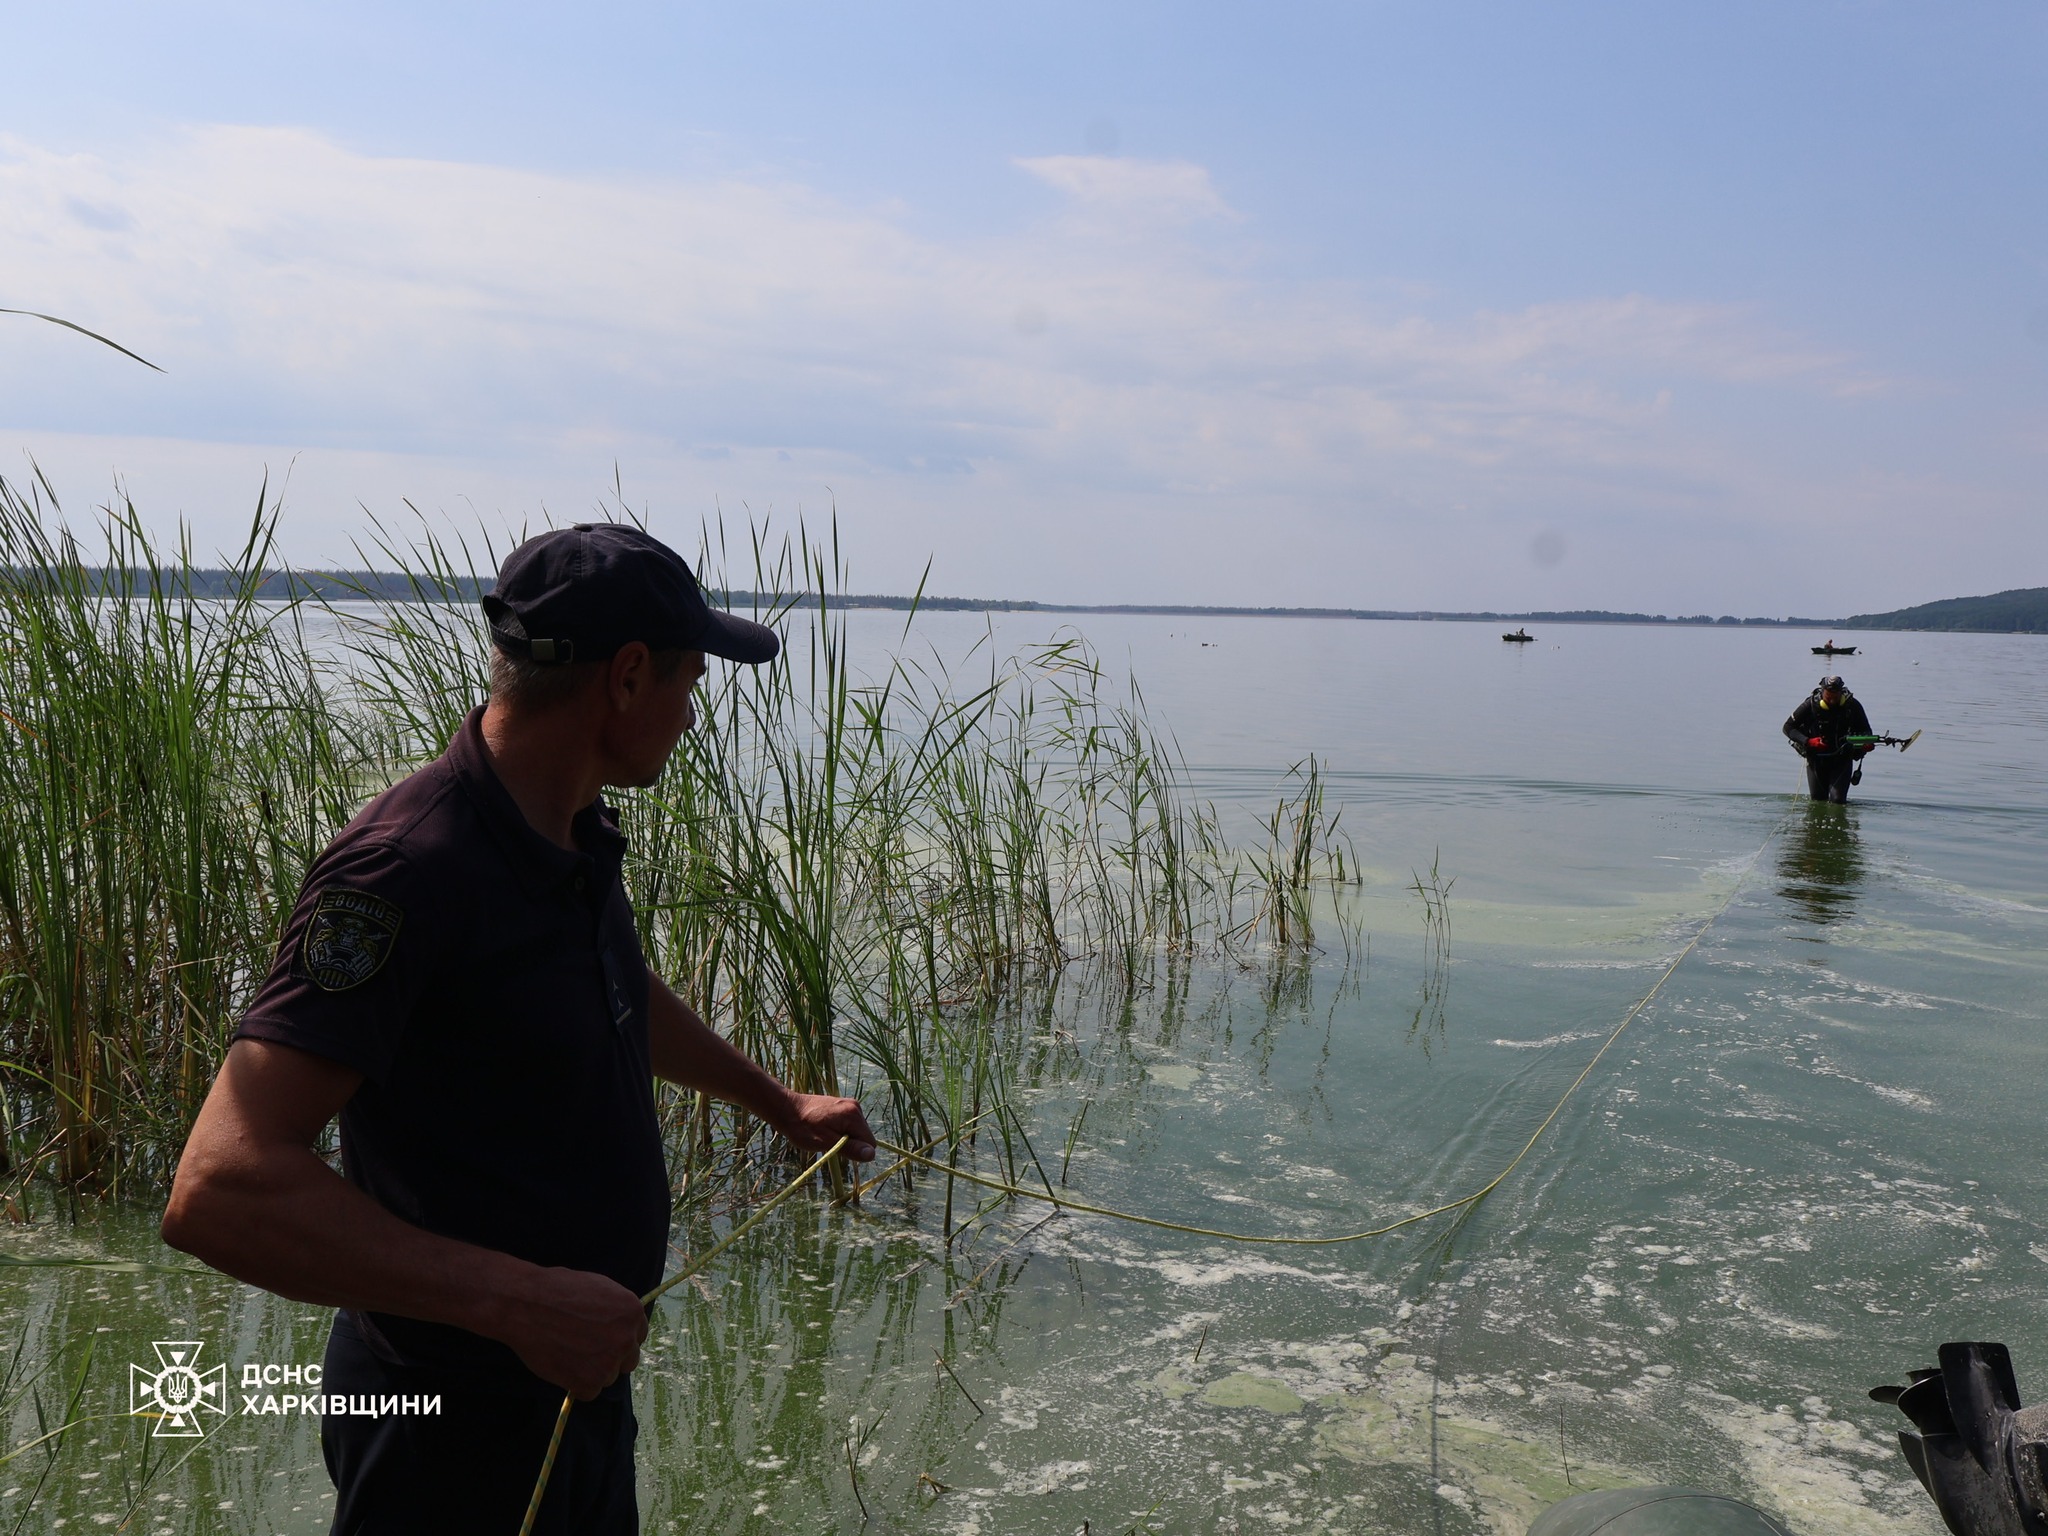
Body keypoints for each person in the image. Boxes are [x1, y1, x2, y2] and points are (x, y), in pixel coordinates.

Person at [161, 523, 877, 1535]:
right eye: (689, 680)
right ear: (627, 677)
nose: (690, 712)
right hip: (442, 1431)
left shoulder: (567, 827)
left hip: (577, 1388)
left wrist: (777, 1102)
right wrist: (515, 1302)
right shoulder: (404, 871)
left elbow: (612, 988)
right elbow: (218, 1189)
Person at [1782, 673, 1874, 803]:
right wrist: (1808, 741)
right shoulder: (1810, 705)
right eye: (1828, 696)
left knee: (1837, 800)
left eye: (1835, 696)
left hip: (1842, 759)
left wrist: (1867, 743)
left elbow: (1866, 731)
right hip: (1816, 759)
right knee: (1818, 801)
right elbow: (1788, 727)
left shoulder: (1852, 705)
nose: (1831, 700)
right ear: (1822, 692)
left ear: (1841, 693)